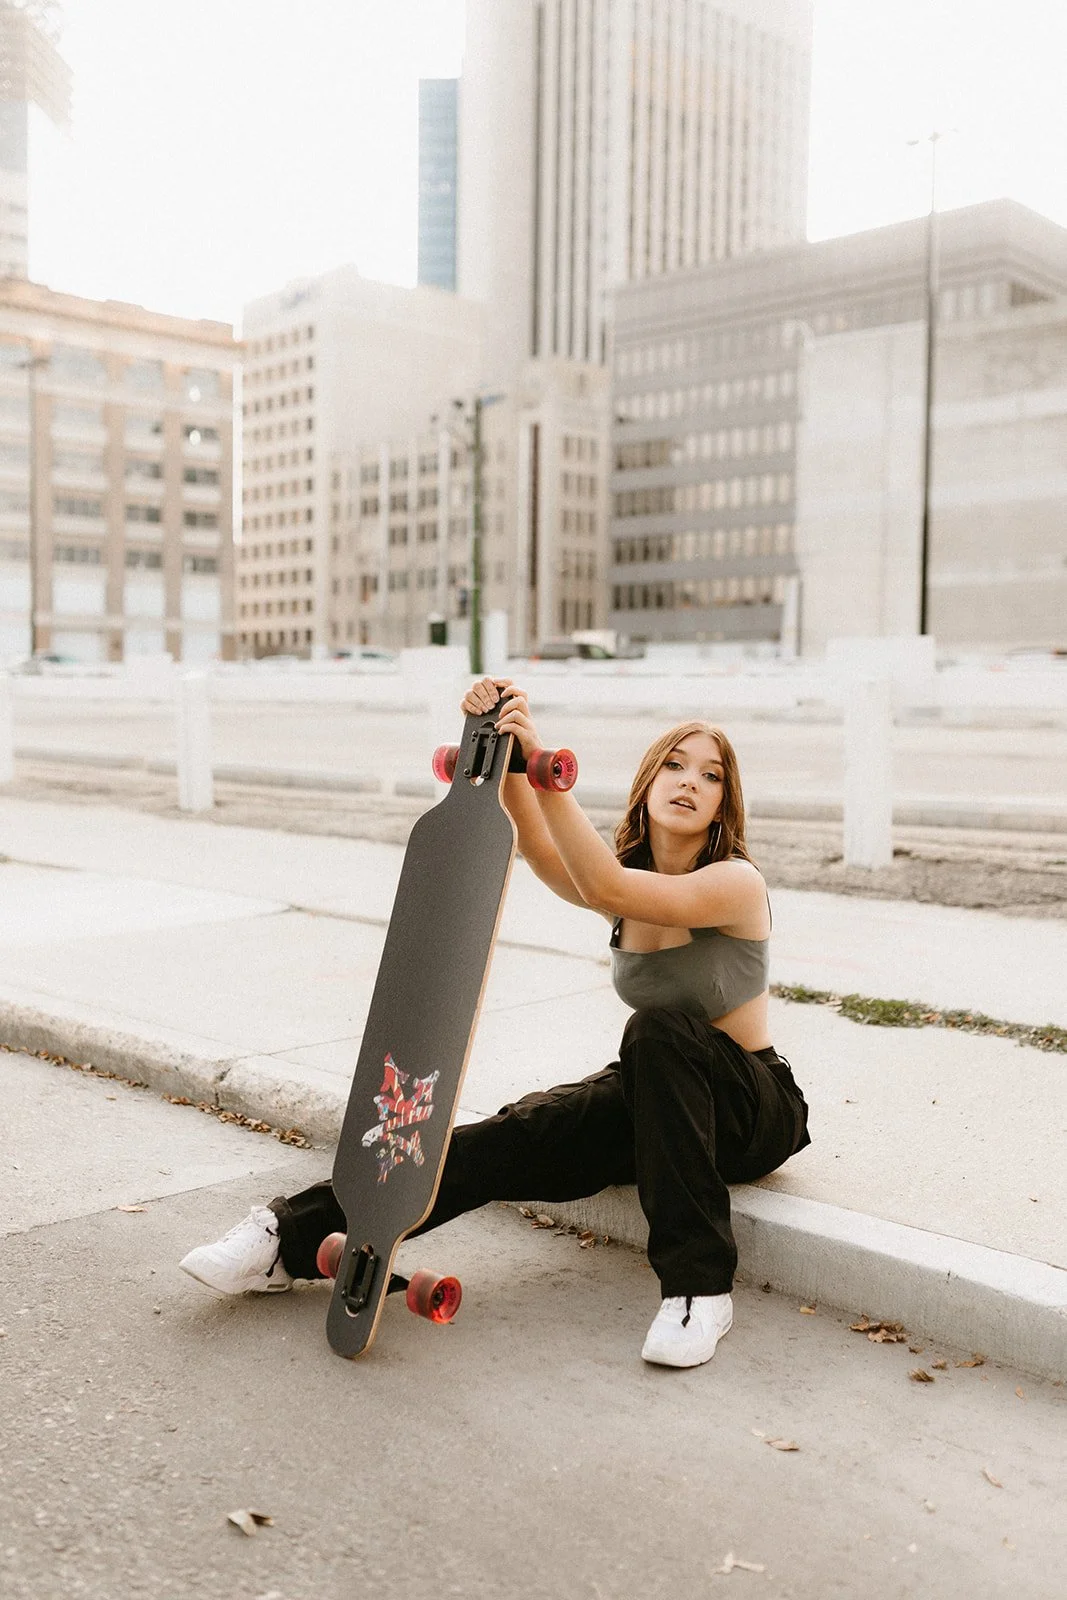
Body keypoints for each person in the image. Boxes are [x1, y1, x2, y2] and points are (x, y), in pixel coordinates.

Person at [180, 679, 810, 1368]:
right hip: (661, 1100)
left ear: (725, 802)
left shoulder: (733, 883)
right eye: (674, 763)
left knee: (657, 1029)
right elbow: (540, 851)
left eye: (711, 774)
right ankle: (283, 1238)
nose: (689, 781)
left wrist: (546, 766)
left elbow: (604, 886)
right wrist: (505, 741)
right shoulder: (626, 878)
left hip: (753, 1106)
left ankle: (698, 1291)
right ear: (647, 778)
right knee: (506, 1137)